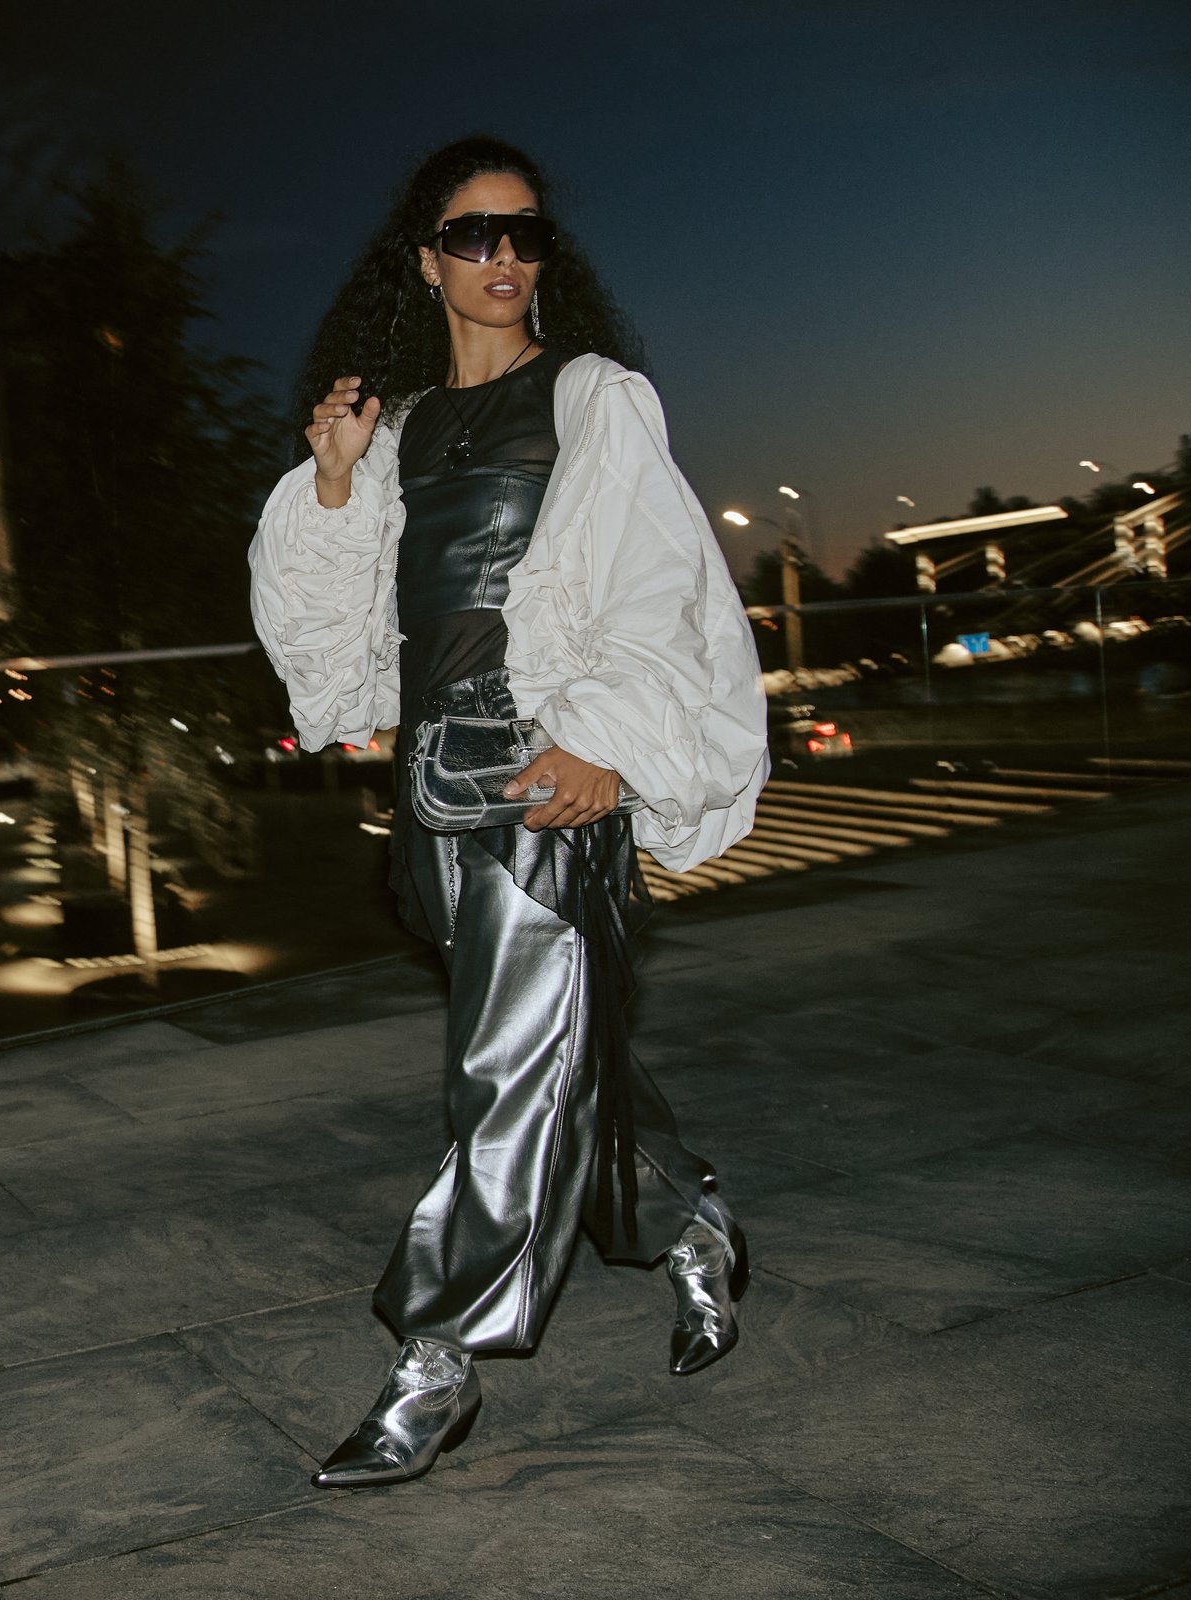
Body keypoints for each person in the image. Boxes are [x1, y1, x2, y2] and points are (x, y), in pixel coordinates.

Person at [247, 135, 769, 1488]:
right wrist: (341, 482)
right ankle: (689, 1221)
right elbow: (330, 623)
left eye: (523, 234)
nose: (503, 260)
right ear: (423, 259)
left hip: (547, 784)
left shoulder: (591, 396)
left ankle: (435, 1358)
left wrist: (604, 740)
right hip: (434, 792)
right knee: (557, 1059)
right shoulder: (407, 424)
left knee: (503, 1070)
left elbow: (660, 579)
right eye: (472, 237)